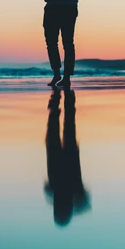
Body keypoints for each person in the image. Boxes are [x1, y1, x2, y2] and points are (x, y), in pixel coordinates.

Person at [44, 89, 91, 226]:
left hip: (67, 160)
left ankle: (64, 96)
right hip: (63, 161)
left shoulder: (74, 193)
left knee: (67, 125)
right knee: (59, 127)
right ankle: (59, 97)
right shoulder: (62, 193)